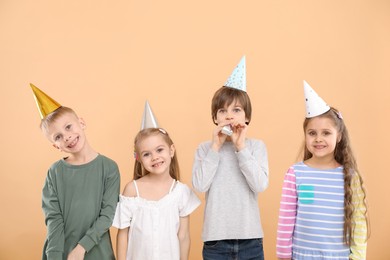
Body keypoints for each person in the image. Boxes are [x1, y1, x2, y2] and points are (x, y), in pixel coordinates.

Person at [276, 81, 369, 260]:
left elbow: (358, 221)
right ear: (305, 136)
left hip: (338, 256)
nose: (318, 139)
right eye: (312, 133)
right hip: (301, 256)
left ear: (339, 136)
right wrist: (283, 255)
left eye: (326, 133)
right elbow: (286, 219)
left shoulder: (349, 176)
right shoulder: (295, 174)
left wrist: (357, 257)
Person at [30, 83, 120, 260]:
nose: (67, 137)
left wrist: (81, 248)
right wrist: (54, 255)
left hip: (97, 252)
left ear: (81, 122)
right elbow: (53, 217)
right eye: (58, 137)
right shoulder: (55, 172)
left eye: (68, 127)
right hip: (59, 252)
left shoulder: (109, 168)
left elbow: (107, 215)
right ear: (56, 146)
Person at [192, 56, 269, 260]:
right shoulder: (205, 149)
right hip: (215, 241)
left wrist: (240, 148)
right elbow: (200, 185)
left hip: (250, 239)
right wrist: (215, 148)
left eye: (236, 110)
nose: (229, 116)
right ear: (215, 118)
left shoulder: (255, 147)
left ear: (246, 117)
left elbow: (260, 185)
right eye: (222, 111)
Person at [113, 101, 201, 260]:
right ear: (139, 159)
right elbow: (123, 234)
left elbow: (183, 236)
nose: (155, 157)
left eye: (159, 150)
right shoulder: (132, 190)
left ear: (171, 150)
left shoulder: (180, 192)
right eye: (147, 154)